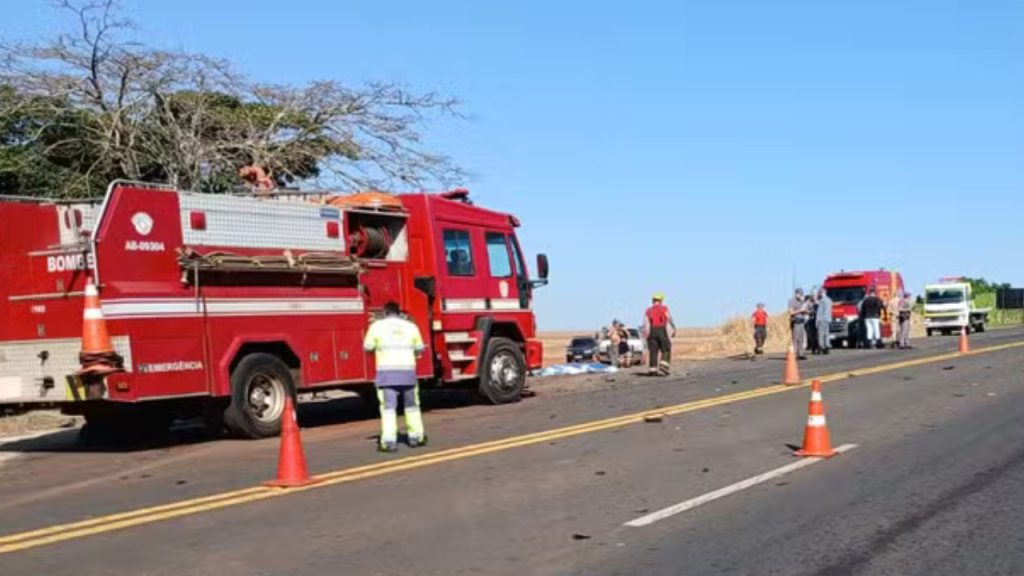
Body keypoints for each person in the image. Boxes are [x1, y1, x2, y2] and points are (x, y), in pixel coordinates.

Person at [363, 301, 426, 452]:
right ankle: (416, 438)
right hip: (408, 375)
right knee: (412, 407)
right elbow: (419, 349)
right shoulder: (411, 326)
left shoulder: (376, 326)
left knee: (388, 409)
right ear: (399, 312)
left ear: (385, 313)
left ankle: (389, 442)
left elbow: (368, 347)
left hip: (387, 376)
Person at [643, 292, 676, 375]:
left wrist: (647, 335)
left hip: (652, 332)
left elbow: (646, 324)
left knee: (653, 351)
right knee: (666, 348)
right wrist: (673, 327)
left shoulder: (648, 310)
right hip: (661, 330)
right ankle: (663, 365)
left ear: (653, 301)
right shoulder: (664, 308)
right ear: (661, 300)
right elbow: (669, 319)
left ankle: (652, 370)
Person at [788, 288, 810, 360]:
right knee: (795, 338)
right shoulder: (792, 301)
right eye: (800, 294)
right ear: (796, 293)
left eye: (801, 294)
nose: (801, 296)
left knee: (801, 339)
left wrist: (806, 311)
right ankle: (794, 355)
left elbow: (805, 310)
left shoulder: (802, 301)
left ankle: (801, 354)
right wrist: (800, 310)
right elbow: (791, 312)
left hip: (801, 321)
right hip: (795, 321)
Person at [816, 287, 833, 355]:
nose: (819, 294)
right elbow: (830, 311)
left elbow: (819, 312)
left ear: (822, 293)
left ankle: (821, 347)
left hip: (822, 320)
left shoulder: (822, 301)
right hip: (828, 319)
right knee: (827, 334)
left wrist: (817, 320)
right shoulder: (829, 300)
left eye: (820, 293)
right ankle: (827, 347)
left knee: (821, 334)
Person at [806, 290, 820, 355]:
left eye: (814, 296)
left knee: (818, 335)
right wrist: (810, 312)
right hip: (811, 320)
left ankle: (818, 348)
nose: (813, 298)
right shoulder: (808, 304)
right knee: (812, 335)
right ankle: (813, 348)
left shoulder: (818, 303)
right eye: (812, 296)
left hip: (817, 321)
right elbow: (806, 311)